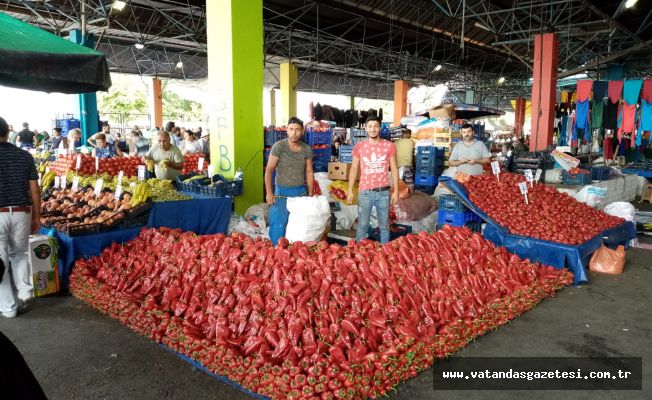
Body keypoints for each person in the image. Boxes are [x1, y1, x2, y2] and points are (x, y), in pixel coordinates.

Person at [0, 116, 40, 319]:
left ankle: (8, 307)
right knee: (19, 255)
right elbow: (35, 189)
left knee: (0, 260)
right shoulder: (24, 156)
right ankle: (25, 294)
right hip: (21, 212)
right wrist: (37, 215)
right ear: (8, 133)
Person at [347, 116, 399, 244]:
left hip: (383, 192)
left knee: (384, 226)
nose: (373, 129)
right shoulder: (359, 147)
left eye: (376, 126)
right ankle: (360, 253)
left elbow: (394, 169)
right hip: (365, 192)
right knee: (363, 225)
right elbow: (354, 169)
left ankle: (384, 255)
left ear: (380, 128)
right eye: (370, 126)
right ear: (365, 128)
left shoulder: (389, 146)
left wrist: (396, 191)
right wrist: (350, 190)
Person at [265, 117, 314, 245]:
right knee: (278, 226)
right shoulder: (279, 147)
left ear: (302, 131)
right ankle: (276, 253)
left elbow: (309, 172)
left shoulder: (306, 149)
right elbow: (269, 170)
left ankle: (295, 256)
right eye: (291, 129)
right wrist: (269, 193)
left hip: (300, 193)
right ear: (287, 130)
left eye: (297, 129)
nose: (294, 132)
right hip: (281, 193)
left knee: (299, 227)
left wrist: (310, 193)